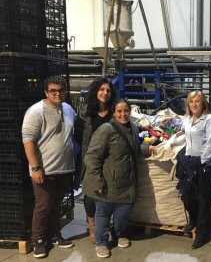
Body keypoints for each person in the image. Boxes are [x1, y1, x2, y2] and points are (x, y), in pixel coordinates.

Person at [82, 99, 153, 258]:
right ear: (114, 113)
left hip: (127, 184)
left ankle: (119, 234)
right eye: (119, 111)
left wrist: (147, 147)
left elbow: (134, 148)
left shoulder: (133, 128)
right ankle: (101, 242)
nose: (123, 114)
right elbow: (92, 157)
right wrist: (97, 181)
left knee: (123, 215)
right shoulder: (106, 129)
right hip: (108, 184)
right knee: (103, 215)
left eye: (126, 111)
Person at [22, 75, 77, 258]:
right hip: (44, 170)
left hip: (64, 168)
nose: (58, 94)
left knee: (55, 205)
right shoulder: (36, 111)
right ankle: (38, 241)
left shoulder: (68, 109)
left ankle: (54, 235)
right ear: (46, 92)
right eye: (53, 90)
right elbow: (28, 140)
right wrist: (35, 168)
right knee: (43, 206)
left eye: (61, 90)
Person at [74, 78, 116, 244]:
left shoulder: (114, 113)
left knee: (108, 194)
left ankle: (105, 225)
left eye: (108, 90)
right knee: (90, 195)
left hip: (110, 161)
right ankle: (92, 226)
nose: (105, 93)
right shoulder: (85, 115)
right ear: (95, 92)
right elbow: (78, 138)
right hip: (90, 161)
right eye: (101, 89)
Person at [176, 91, 211, 249]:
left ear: (204, 103)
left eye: (198, 101)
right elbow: (183, 137)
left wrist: (200, 162)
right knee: (187, 195)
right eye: (191, 101)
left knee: (203, 199)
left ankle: (201, 233)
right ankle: (193, 220)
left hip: (205, 165)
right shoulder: (187, 119)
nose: (194, 104)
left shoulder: (209, 120)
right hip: (190, 162)